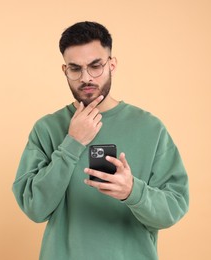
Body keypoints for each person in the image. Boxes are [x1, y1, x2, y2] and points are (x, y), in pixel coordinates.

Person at [12, 21, 189, 260]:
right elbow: (34, 208)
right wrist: (72, 142)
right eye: (75, 69)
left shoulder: (149, 127)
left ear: (112, 64)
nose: (86, 78)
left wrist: (132, 191)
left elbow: (173, 208)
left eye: (95, 66)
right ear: (65, 70)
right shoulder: (47, 128)